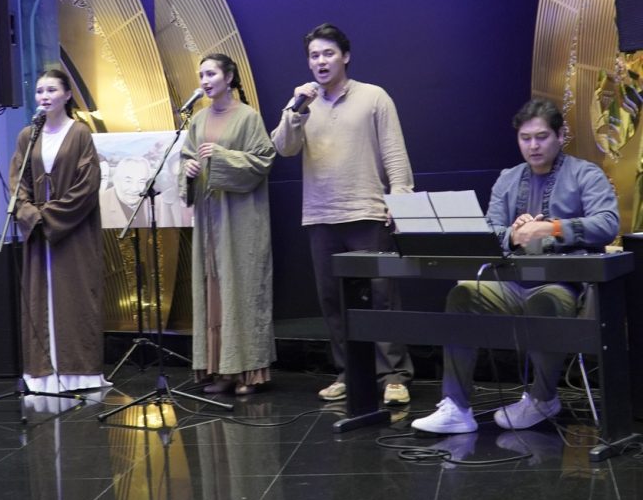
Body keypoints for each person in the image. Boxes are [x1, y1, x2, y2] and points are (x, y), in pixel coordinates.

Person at [411, 97, 620, 435]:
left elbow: (607, 223)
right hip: (511, 282)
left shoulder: (585, 174)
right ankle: (456, 406)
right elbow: (489, 229)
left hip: (564, 284)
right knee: (463, 295)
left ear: (560, 135)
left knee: (545, 302)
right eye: (525, 138)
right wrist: (515, 232)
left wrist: (550, 228)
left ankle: (543, 397)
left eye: (542, 137)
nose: (533, 146)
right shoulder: (508, 179)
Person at [271, 23, 415, 405]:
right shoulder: (301, 103)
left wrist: (401, 200)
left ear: (345, 56)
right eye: (314, 55)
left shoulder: (374, 97)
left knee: (382, 297)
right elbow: (283, 148)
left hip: (367, 211)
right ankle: (349, 372)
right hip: (321, 216)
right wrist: (295, 110)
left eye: (328, 53)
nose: (321, 61)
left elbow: (394, 152)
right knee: (333, 301)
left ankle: (394, 375)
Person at [179, 53, 276, 395]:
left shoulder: (248, 117)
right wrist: (188, 170)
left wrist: (220, 158)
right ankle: (221, 370)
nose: (205, 81)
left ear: (229, 77)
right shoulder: (197, 120)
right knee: (215, 292)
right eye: (201, 75)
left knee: (242, 289)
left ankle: (248, 372)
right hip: (210, 220)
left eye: (211, 74)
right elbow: (188, 157)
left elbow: (263, 160)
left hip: (241, 220)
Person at [9, 66, 109, 395]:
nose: (44, 96)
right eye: (40, 91)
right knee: (39, 297)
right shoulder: (28, 135)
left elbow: (87, 184)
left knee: (75, 296)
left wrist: (48, 217)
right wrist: (29, 214)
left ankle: (80, 374)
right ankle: (42, 374)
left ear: (67, 95)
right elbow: (18, 183)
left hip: (73, 230)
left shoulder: (79, 133)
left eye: (52, 90)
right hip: (39, 232)